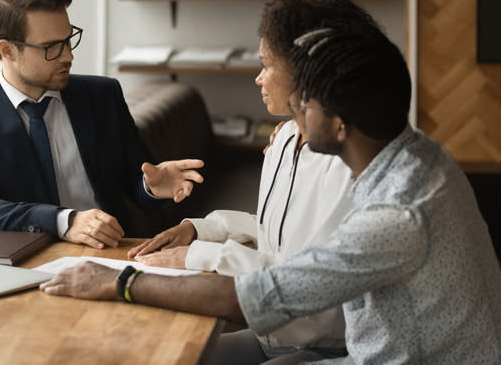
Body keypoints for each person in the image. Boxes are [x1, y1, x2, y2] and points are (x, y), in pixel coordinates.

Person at [40, 29, 501, 364]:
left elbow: (258, 297)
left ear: (339, 121)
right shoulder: (420, 158)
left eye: (304, 105)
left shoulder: (396, 213)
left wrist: (120, 281)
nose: (293, 117)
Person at [125, 0, 383, 362]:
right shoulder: (284, 140)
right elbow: (275, 238)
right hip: (270, 335)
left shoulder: (349, 163)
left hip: (324, 345)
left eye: (266, 64)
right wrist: (202, 229)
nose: (259, 78)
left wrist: (199, 255)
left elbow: (306, 283)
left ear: (306, 71)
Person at [0, 0, 204, 248]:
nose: (68, 56)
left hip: (110, 253)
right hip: (28, 259)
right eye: (51, 47)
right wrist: (64, 221)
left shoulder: (103, 96)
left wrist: (152, 188)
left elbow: (137, 182)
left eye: (68, 40)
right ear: (7, 50)